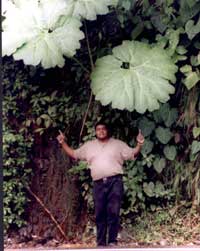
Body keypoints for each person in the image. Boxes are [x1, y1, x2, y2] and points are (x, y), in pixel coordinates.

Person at [57, 120, 144, 247]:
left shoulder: (117, 144)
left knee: (113, 211)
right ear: (95, 132)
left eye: (103, 128)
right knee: (99, 213)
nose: (101, 131)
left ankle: (112, 241)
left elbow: (133, 153)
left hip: (115, 181)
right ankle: (101, 243)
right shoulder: (89, 146)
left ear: (107, 130)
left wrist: (139, 144)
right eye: (98, 129)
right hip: (98, 183)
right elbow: (74, 154)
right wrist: (62, 143)